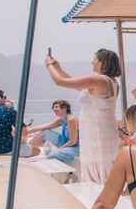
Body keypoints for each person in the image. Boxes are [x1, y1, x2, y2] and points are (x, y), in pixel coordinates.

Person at [45, 48, 122, 183]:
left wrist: (49, 65)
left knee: (99, 170)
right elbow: (75, 83)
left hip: (97, 133)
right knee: (104, 170)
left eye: (94, 59)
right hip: (101, 131)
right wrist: (58, 67)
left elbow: (60, 82)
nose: (92, 62)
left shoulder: (99, 80)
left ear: (101, 62)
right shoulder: (111, 81)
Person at [25, 99, 80, 165]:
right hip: (64, 141)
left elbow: (72, 141)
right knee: (45, 132)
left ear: (65, 108)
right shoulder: (62, 119)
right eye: (53, 107)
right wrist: (27, 131)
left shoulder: (71, 119)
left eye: (56, 107)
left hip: (75, 147)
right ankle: (28, 151)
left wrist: (59, 149)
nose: (54, 109)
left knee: (52, 155)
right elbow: (45, 126)